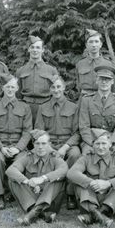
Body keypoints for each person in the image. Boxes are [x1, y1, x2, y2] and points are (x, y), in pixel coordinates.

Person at [67, 128, 115, 227]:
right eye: (97, 144)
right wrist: (91, 182)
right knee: (79, 182)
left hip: (109, 198)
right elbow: (72, 173)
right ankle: (97, 213)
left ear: (110, 144)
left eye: (104, 143)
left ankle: (97, 214)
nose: (100, 147)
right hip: (91, 196)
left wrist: (108, 183)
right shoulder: (86, 157)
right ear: (92, 145)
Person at [0, 75, 33, 210]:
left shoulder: (25, 107)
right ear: (3, 88)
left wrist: (18, 148)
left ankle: (17, 193)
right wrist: (1, 148)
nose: (10, 89)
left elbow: (27, 131)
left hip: (17, 145)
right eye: (7, 87)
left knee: (23, 160)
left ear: (17, 88)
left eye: (13, 87)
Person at [35, 75, 81, 210]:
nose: (56, 90)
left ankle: (70, 193)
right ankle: (45, 191)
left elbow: (77, 132)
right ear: (49, 89)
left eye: (58, 87)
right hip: (48, 143)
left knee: (75, 155)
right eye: (53, 87)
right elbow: (39, 132)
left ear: (64, 88)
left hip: (67, 143)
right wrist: (49, 148)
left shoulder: (73, 107)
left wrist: (65, 148)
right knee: (40, 154)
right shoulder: (42, 108)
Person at [6, 130, 68, 226]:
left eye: (43, 143)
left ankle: (32, 214)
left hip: (50, 200)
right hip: (32, 197)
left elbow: (64, 170)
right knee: (14, 179)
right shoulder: (28, 156)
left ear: (49, 144)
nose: (40, 147)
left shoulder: (55, 156)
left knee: (58, 180)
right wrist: (27, 181)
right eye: (37, 143)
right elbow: (10, 170)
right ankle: (42, 214)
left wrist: (43, 178)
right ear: (33, 144)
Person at [79, 64, 115, 155]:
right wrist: (94, 142)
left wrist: (110, 142)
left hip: (112, 140)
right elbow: (83, 127)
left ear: (112, 81)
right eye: (101, 79)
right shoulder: (87, 100)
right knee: (87, 154)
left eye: (107, 79)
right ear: (97, 80)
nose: (104, 82)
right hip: (92, 140)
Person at [16, 35, 58, 124]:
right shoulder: (21, 71)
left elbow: (56, 93)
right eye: (32, 47)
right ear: (28, 49)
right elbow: (18, 94)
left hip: (45, 107)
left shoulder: (51, 70)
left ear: (43, 50)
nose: (35, 50)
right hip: (26, 108)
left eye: (38, 47)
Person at [75, 29, 115, 97]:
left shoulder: (108, 64)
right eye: (91, 42)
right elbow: (78, 85)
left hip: (102, 99)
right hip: (85, 98)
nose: (94, 45)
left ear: (101, 44)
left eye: (96, 41)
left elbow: (113, 87)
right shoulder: (80, 64)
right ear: (86, 45)